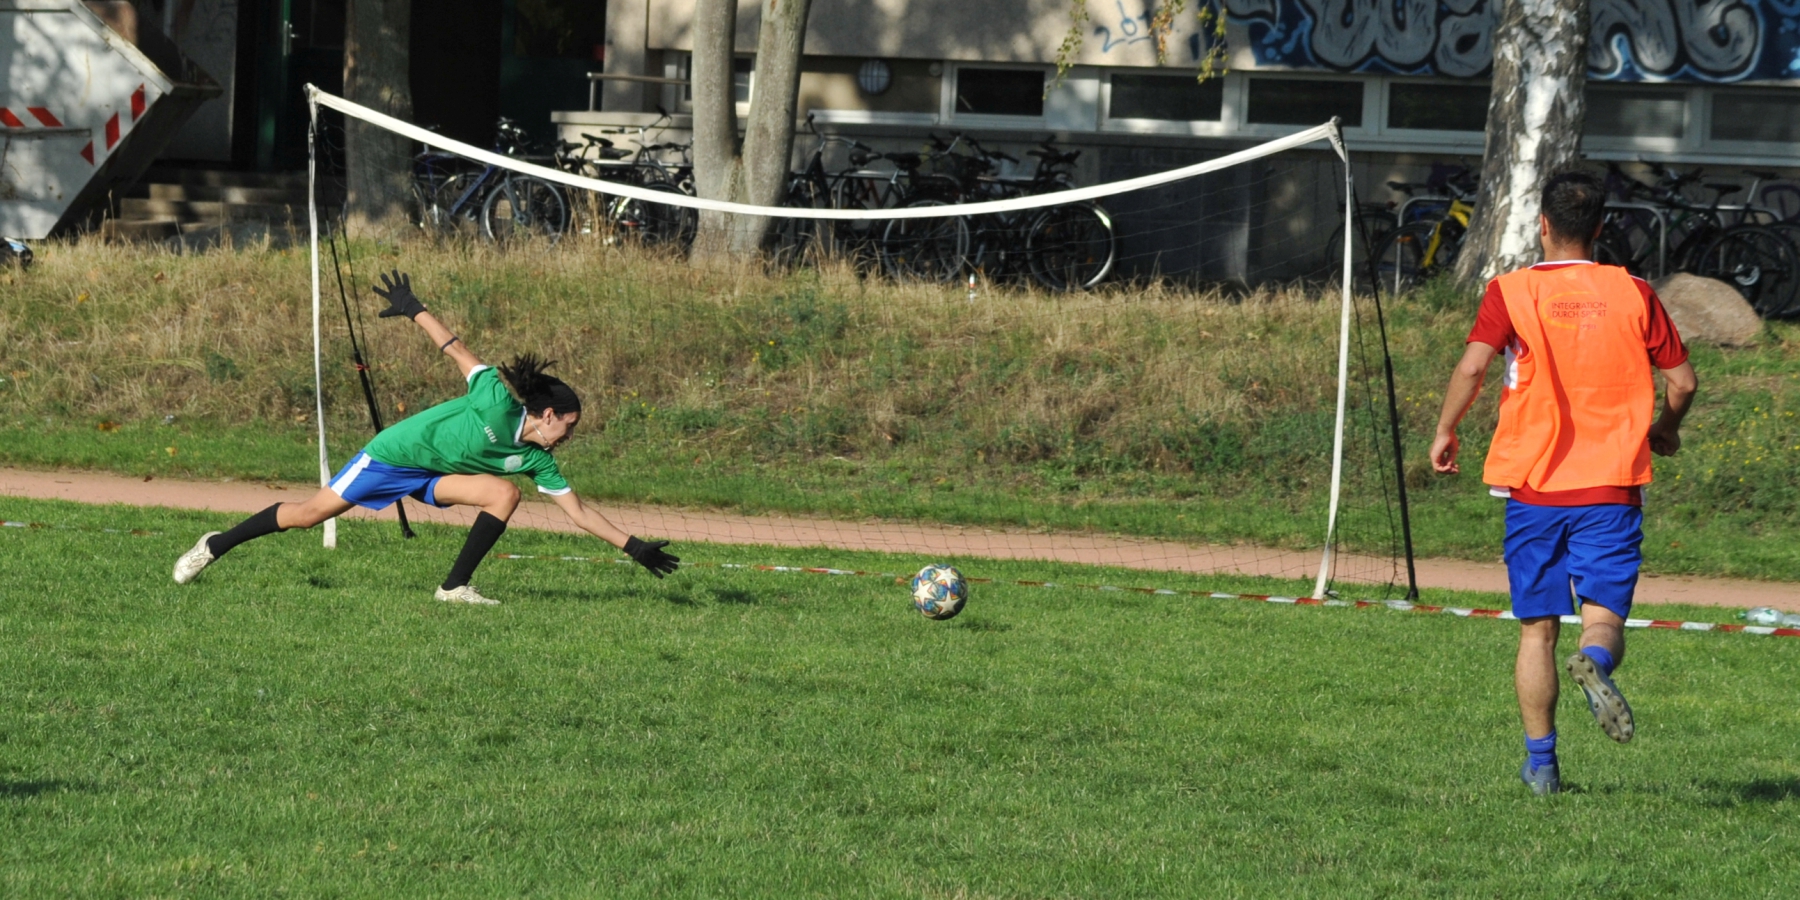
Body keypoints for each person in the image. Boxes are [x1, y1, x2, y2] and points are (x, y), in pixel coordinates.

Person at [172, 271, 681, 604]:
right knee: (308, 516)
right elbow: (456, 349)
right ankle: (214, 545)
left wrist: (635, 547)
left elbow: (579, 513)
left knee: (504, 493)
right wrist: (412, 306)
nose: (570, 435)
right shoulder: (493, 398)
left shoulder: (535, 460)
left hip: (434, 476)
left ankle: (453, 588)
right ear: (548, 414)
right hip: (393, 456)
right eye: (570, 425)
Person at [1429, 172, 1697, 796]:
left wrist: (1446, 429)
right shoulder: (1634, 292)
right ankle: (1595, 662)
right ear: (1600, 228)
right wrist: (1666, 429)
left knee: (1537, 629)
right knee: (1602, 618)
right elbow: (1683, 382)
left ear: (1543, 224)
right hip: (1611, 485)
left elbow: (1472, 366)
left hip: (1534, 487)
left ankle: (1542, 767)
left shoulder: (1511, 291)